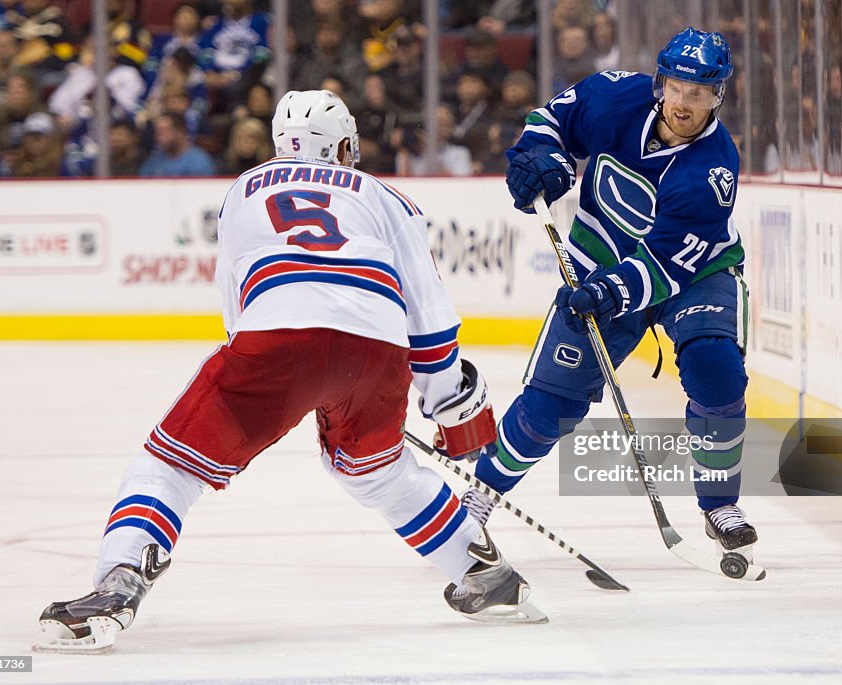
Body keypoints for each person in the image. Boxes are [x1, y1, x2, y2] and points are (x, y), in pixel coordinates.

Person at [35, 89, 545, 654]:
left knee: (169, 464)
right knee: (374, 471)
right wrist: (447, 400)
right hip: (376, 346)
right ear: (346, 144)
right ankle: (485, 577)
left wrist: (279, 375)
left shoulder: (241, 190)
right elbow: (428, 313)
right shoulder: (385, 196)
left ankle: (120, 580)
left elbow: (236, 309)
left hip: (277, 331)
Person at [466, 28, 759, 563]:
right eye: (677, 87)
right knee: (548, 406)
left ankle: (720, 505)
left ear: (718, 96)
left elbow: (669, 263)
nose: (685, 103)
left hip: (694, 275)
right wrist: (541, 159)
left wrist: (610, 291)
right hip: (600, 261)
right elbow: (549, 121)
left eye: (699, 93)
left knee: (716, 367)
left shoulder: (712, 169)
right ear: (660, 83)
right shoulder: (614, 97)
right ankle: (477, 500)